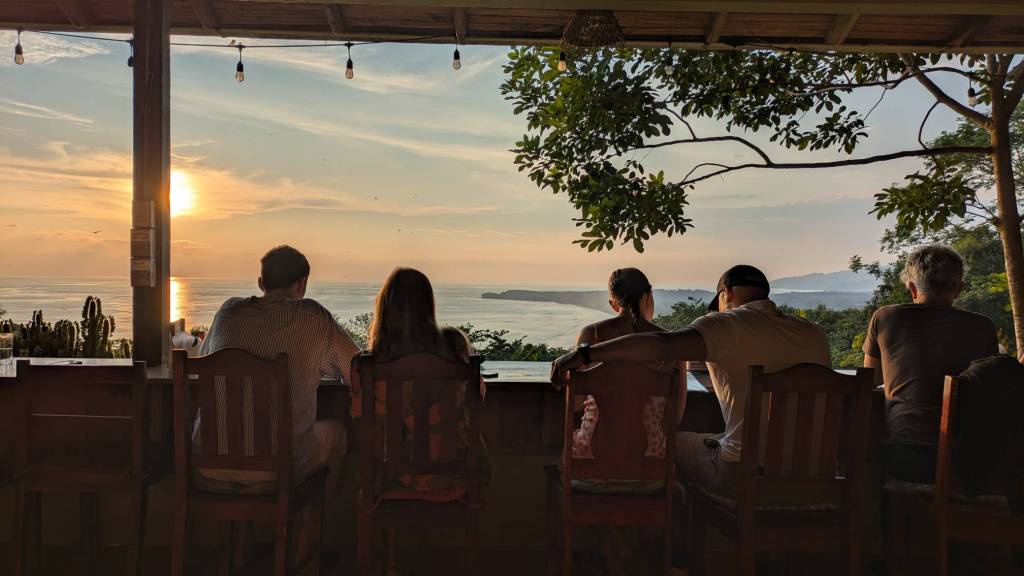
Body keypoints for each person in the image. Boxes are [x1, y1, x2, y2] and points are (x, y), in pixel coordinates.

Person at [552, 264, 830, 500]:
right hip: (816, 479)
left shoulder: (725, 325)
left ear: (727, 293)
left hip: (746, 478)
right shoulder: (813, 332)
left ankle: (676, 559)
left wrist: (586, 353)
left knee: (679, 444)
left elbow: (662, 346)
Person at [195, 245, 361, 490]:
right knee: (337, 434)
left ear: (261, 283)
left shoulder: (227, 311)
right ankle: (306, 522)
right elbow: (355, 370)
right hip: (279, 468)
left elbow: (203, 360)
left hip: (209, 464)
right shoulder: (312, 317)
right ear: (301, 284)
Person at [863, 244, 998, 483]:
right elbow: (986, 386)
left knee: (864, 461)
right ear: (959, 290)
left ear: (912, 288)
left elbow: (870, 380)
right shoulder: (983, 327)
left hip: (907, 454)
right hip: (967, 461)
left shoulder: (886, 318)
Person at [352, 267, 486, 495]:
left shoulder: (367, 364)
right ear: (429, 304)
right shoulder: (455, 346)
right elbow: (477, 399)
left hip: (390, 477)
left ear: (383, 308)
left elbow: (358, 415)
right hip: (454, 476)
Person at [572, 268, 685, 459]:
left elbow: (575, 404)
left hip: (591, 461)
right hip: (650, 462)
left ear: (613, 304)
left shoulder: (591, 335)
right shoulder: (671, 344)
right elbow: (677, 416)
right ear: (648, 296)